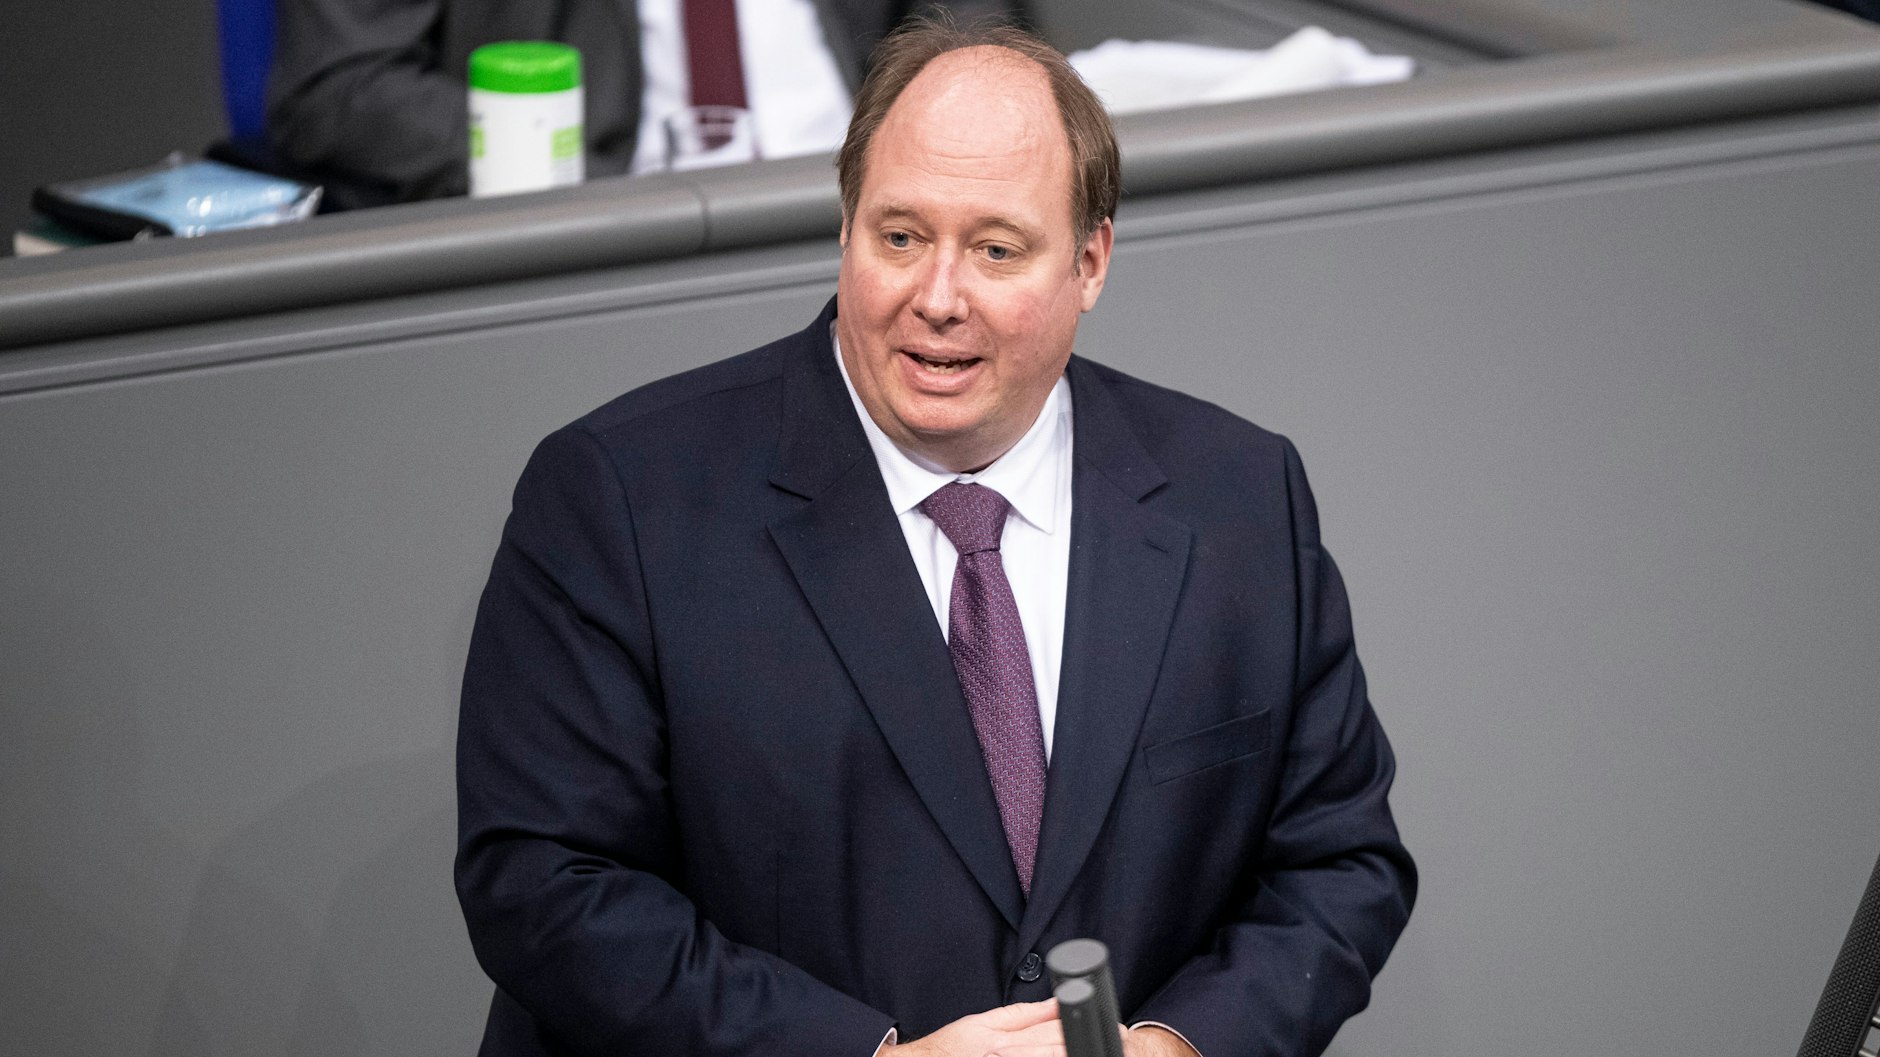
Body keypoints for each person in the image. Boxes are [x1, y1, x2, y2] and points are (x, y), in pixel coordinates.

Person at [456, 18, 1416, 1057]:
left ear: (1090, 260)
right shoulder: (620, 498)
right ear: (845, 227)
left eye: (995, 249)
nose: (938, 298)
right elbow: (545, 884)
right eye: (900, 237)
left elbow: (1337, 861)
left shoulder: (1238, 495)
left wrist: (1174, 1046)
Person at [266, 0, 1015, 203]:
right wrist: (556, 173)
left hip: (876, 211)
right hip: (609, 229)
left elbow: (972, 22)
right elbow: (339, 83)